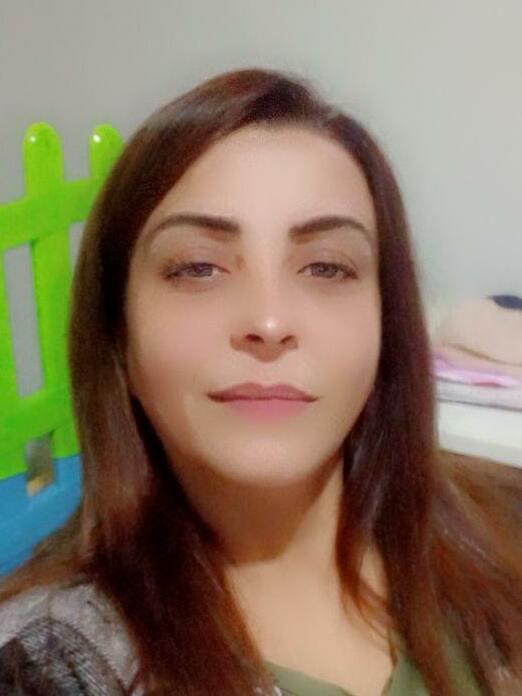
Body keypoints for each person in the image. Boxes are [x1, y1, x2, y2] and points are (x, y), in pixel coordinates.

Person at [1, 67, 521, 696]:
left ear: (387, 323)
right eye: (197, 267)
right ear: (118, 334)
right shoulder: (46, 666)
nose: (269, 323)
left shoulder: (495, 533)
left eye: (327, 267)